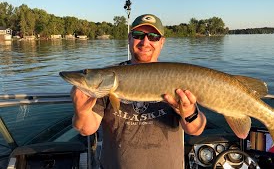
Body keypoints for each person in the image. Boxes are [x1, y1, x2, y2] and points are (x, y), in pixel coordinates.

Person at [71, 14, 207, 169]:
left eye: (153, 36)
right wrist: (81, 111)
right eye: (138, 35)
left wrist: (189, 111)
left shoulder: (176, 78)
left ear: (162, 42)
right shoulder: (107, 80)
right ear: (129, 38)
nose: (145, 42)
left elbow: (196, 129)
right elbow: (86, 129)